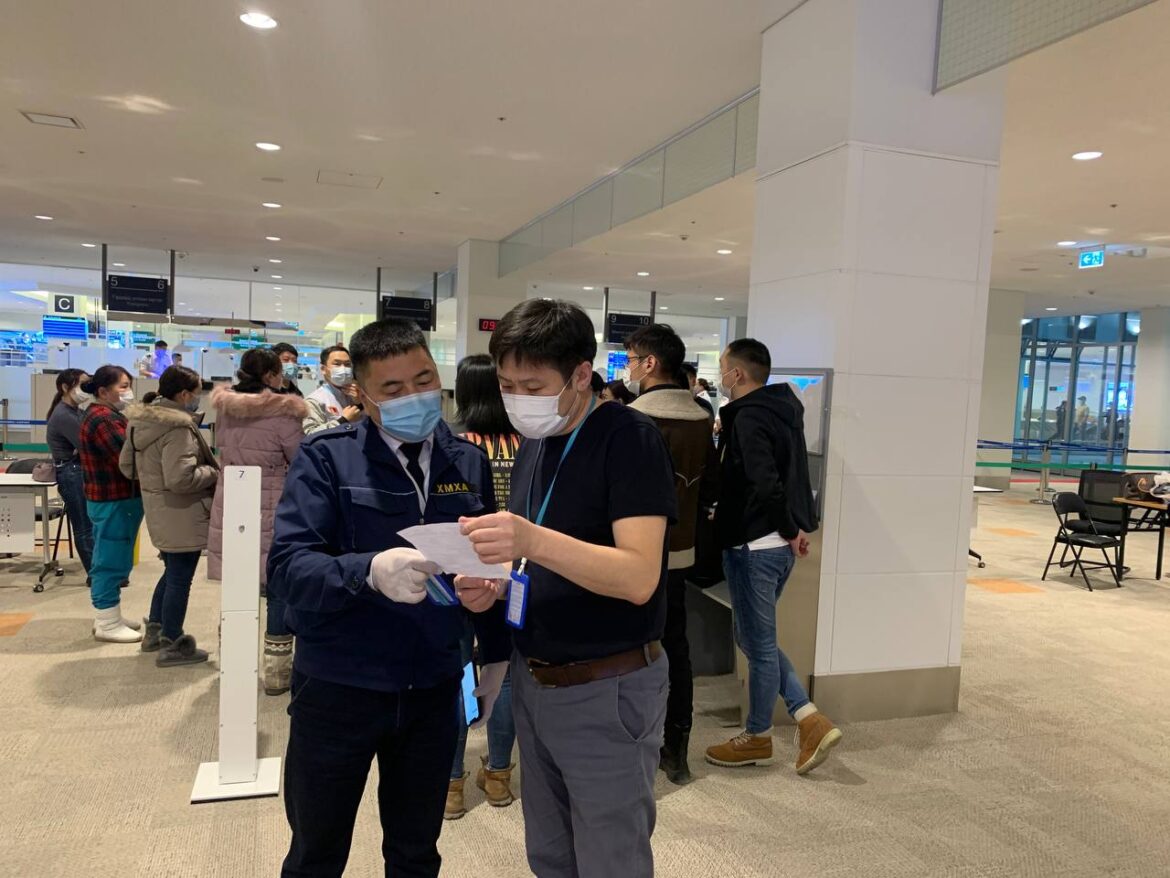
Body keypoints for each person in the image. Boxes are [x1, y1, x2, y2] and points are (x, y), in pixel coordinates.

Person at [266, 318, 509, 878]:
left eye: (423, 380)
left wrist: (494, 641)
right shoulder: (327, 457)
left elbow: (484, 561)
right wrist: (368, 571)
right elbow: (287, 568)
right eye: (393, 388)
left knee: (416, 851)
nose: (413, 397)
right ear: (363, 393)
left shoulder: (466, 459)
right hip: (340, 684)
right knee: (317, 851)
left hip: (433, 683)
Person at [462, 298, 677, 878]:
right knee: (551, 853)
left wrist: (530, 540)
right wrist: (496, 585)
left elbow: (638, 577)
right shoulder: (538, 439)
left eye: (532, 386)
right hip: (535, 678)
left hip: (607, 684)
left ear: (581, 374)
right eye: (506, 385)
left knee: (610, 857)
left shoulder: (628, 439)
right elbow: (544, 559)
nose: (517, 399)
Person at [705, 338, 841, 775]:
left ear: (737, 374)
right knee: (753, 640)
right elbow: (793, 476)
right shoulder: (784, 410)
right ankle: (807, 716)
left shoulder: (748, 417)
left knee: (759, 647)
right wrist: (795, 528)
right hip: (776, 545)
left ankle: (759, 736)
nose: (721, 376)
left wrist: (786, 527)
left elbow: (766, 482)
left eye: (723, 368)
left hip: (754, 546)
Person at [625, 325, 718, 785]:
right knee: (677, 647)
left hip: (632, 554)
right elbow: (711, 485)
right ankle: (677, 749)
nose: (628, 368)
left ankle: (634, 742)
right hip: (683, 550)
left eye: (631, 359)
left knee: (631, 649)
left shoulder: (633, 420)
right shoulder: (701, 417)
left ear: (650, 363)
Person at [445, 353, 521, 820]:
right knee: (503, 671)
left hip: (460, 574)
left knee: (457, 674)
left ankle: (451, 786)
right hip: (513, 572)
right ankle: (498, 777)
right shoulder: (527, 442)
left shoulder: (453, 445)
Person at [207, 348, 308, 695]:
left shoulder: (226, 408)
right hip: (274, 503)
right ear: (269, 376)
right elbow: (299, 458)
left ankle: (234, 663)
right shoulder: (284, 411)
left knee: (239, 585)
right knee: (277, 587)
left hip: (232, 499)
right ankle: (277, 672)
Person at [119, 366, 219, 666]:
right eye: (197, 392)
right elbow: (180, 479)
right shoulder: (178, 428)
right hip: (182, 513)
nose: (199, 398)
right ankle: (173, 642)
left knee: (172, 572)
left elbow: (126, 467)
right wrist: (214, 471)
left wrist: (152, 481)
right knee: (180, 578)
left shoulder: (140, 421)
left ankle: (155, 630)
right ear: (184, 394)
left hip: (159, 509)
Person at [78, 365, 143, 643]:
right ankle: (107, 621)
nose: (128, 392)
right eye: (123, 386)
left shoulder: (107, 415)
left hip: (115, 499)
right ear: (103, 391)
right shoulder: (103, 419)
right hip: (113, 499)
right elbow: (127, 459)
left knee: (116, 556)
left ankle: (110, 614)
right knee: (110, 559)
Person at [46, 369, 95, 577]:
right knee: (83, 526)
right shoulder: (64, 415)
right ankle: (95, 574)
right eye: (82, 385)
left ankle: (99, 571)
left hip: (77, 469)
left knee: (89, 524)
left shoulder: (75, 411)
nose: (86, 390)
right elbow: (88, 444)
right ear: (66, 387)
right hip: (71, 473)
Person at [303, 345, 363, 434]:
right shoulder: (315, 400)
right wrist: (342, 421)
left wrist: (360, 404)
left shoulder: (357, 394)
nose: (343, 369)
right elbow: (310, 433)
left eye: (347, 364)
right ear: (323, 369)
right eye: (337, 364)